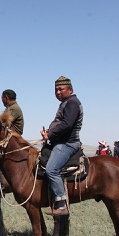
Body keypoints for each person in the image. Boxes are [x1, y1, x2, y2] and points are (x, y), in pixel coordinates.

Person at [40, 76, 83, 216]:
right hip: (61, 141)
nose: (58, 92)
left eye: (61, 89)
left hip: (68, 143)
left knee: (51, 169)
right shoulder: (66, 102)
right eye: (56, 89)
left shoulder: (72, 103)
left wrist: (50, 135)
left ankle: (61, 203)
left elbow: (67, 124)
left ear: (70, 89)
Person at [0, 89, 24, 187]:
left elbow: (2, 123)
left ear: (6, 98)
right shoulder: (11, 108)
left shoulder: (14, 109)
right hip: (9, 139)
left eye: (2, 98)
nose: (2, 101)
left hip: (12, 140)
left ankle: (0, 185)